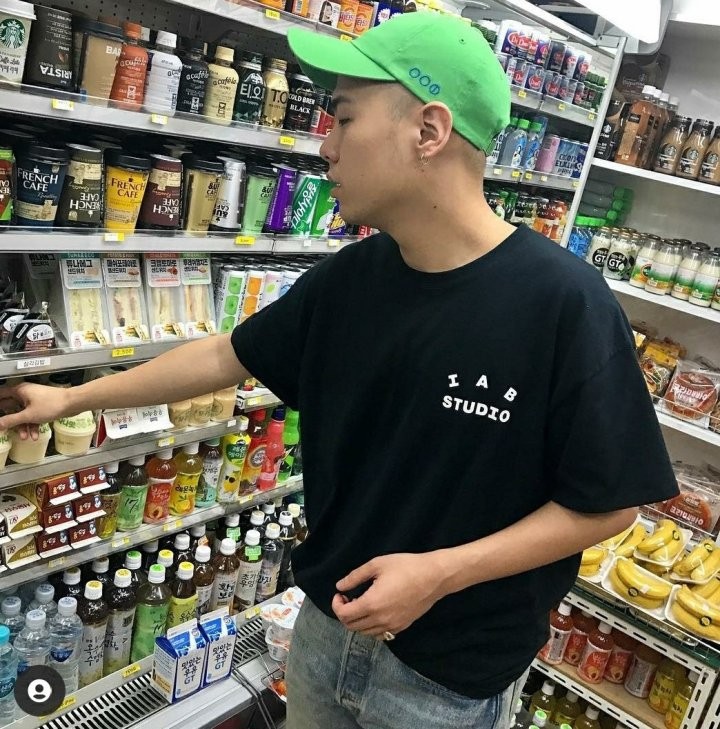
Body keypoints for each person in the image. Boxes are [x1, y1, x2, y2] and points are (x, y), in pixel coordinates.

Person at [0, 13, 677, 729]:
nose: (325, 145)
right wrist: (71, 398)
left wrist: (439, 573)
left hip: (444, 680)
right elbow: (227, 354)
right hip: (325, 634)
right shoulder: (353, 277)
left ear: (428, 131)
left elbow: (609, 504)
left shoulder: (564, 303)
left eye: (345, 118)